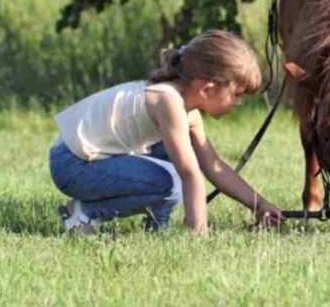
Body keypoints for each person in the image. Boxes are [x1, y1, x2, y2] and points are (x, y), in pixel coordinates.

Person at [48, 29, 283, 234]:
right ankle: (85, 213)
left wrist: (259, 204)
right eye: (237, 94)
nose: (238, 103)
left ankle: (158, 227)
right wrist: (199, 236)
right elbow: (191, 175)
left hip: (86, 159)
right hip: (72, 164)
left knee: (174, 165)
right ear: (208, 89)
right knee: (172, 181)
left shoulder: (187, 112)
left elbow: (213, 166)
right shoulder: (167, 102)